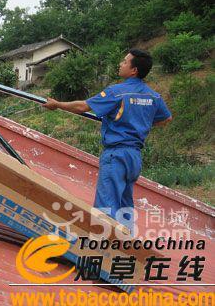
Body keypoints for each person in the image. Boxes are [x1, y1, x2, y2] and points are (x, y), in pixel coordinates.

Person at [43, 49, 172, 235]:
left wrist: (56, 105)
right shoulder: (153, 96)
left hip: (116, 155)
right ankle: (127, 248)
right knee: (125, 205)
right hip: (134, 157)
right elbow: (166, 119)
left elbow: (83, 106)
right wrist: (141, 121)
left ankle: (101, 252)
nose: (121, 63)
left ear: (134, 70)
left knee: (106, 207)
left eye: (125, 61)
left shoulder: (117, 92)